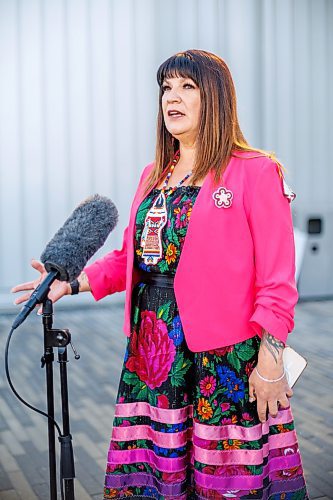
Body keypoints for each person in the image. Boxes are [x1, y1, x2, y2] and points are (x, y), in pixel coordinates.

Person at [12, 50, 308, 499]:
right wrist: (69, 283)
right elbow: (131, 257)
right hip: (154, 350)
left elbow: (277, 279)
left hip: (223, 355)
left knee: (225, 477)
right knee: (159, 471)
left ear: (216, 98)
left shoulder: (255, 171)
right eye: (167, 88)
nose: (173, 97)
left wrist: (270, 360)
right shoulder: (155, 175)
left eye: (187, 87)